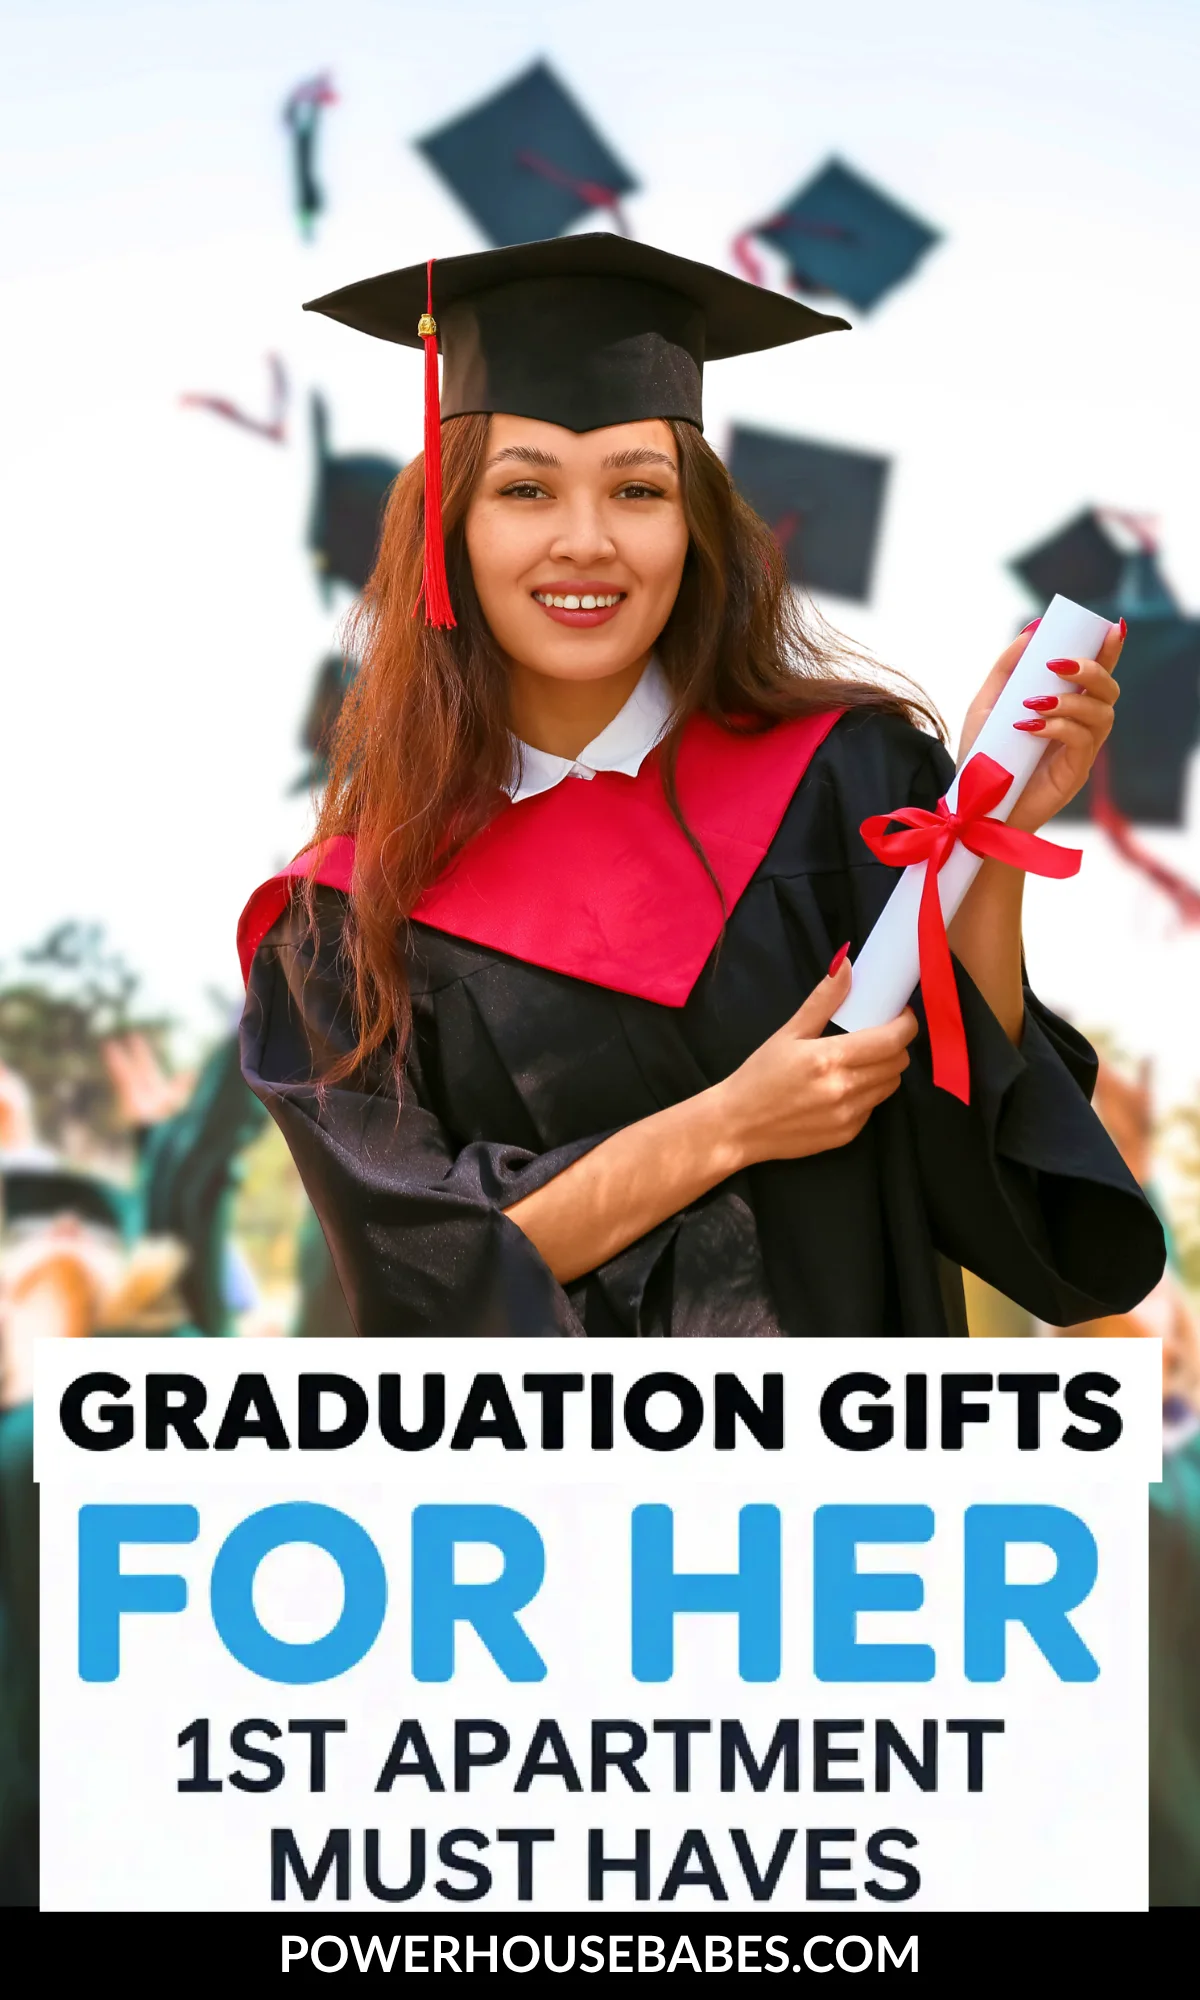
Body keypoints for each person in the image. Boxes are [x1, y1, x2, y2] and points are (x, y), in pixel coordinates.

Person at [238, 235, 1165, 1338]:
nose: (586, 541)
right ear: (451, 529)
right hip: (545, 1498)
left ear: (694, 524)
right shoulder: (350, 914)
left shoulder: (847, 780)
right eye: (526, 489)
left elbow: (976, 1150)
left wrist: (988, 843)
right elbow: (421, 1271)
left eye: (638, 488)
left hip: (842, 1480)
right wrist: (732, 1123)